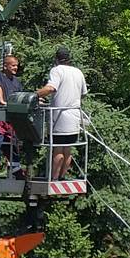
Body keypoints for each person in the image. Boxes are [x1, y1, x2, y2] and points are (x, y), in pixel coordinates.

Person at [36, 47, 87, 180]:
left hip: (59, 116)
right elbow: (83, 94)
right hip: (75, 116)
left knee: (57, 149)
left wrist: (33, 95)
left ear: (56, 59)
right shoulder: (78, 72)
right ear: (69, 59)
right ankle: (62, 176)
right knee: (67, 149)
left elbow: (51, 88)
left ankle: (54, 178)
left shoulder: (57, 70)